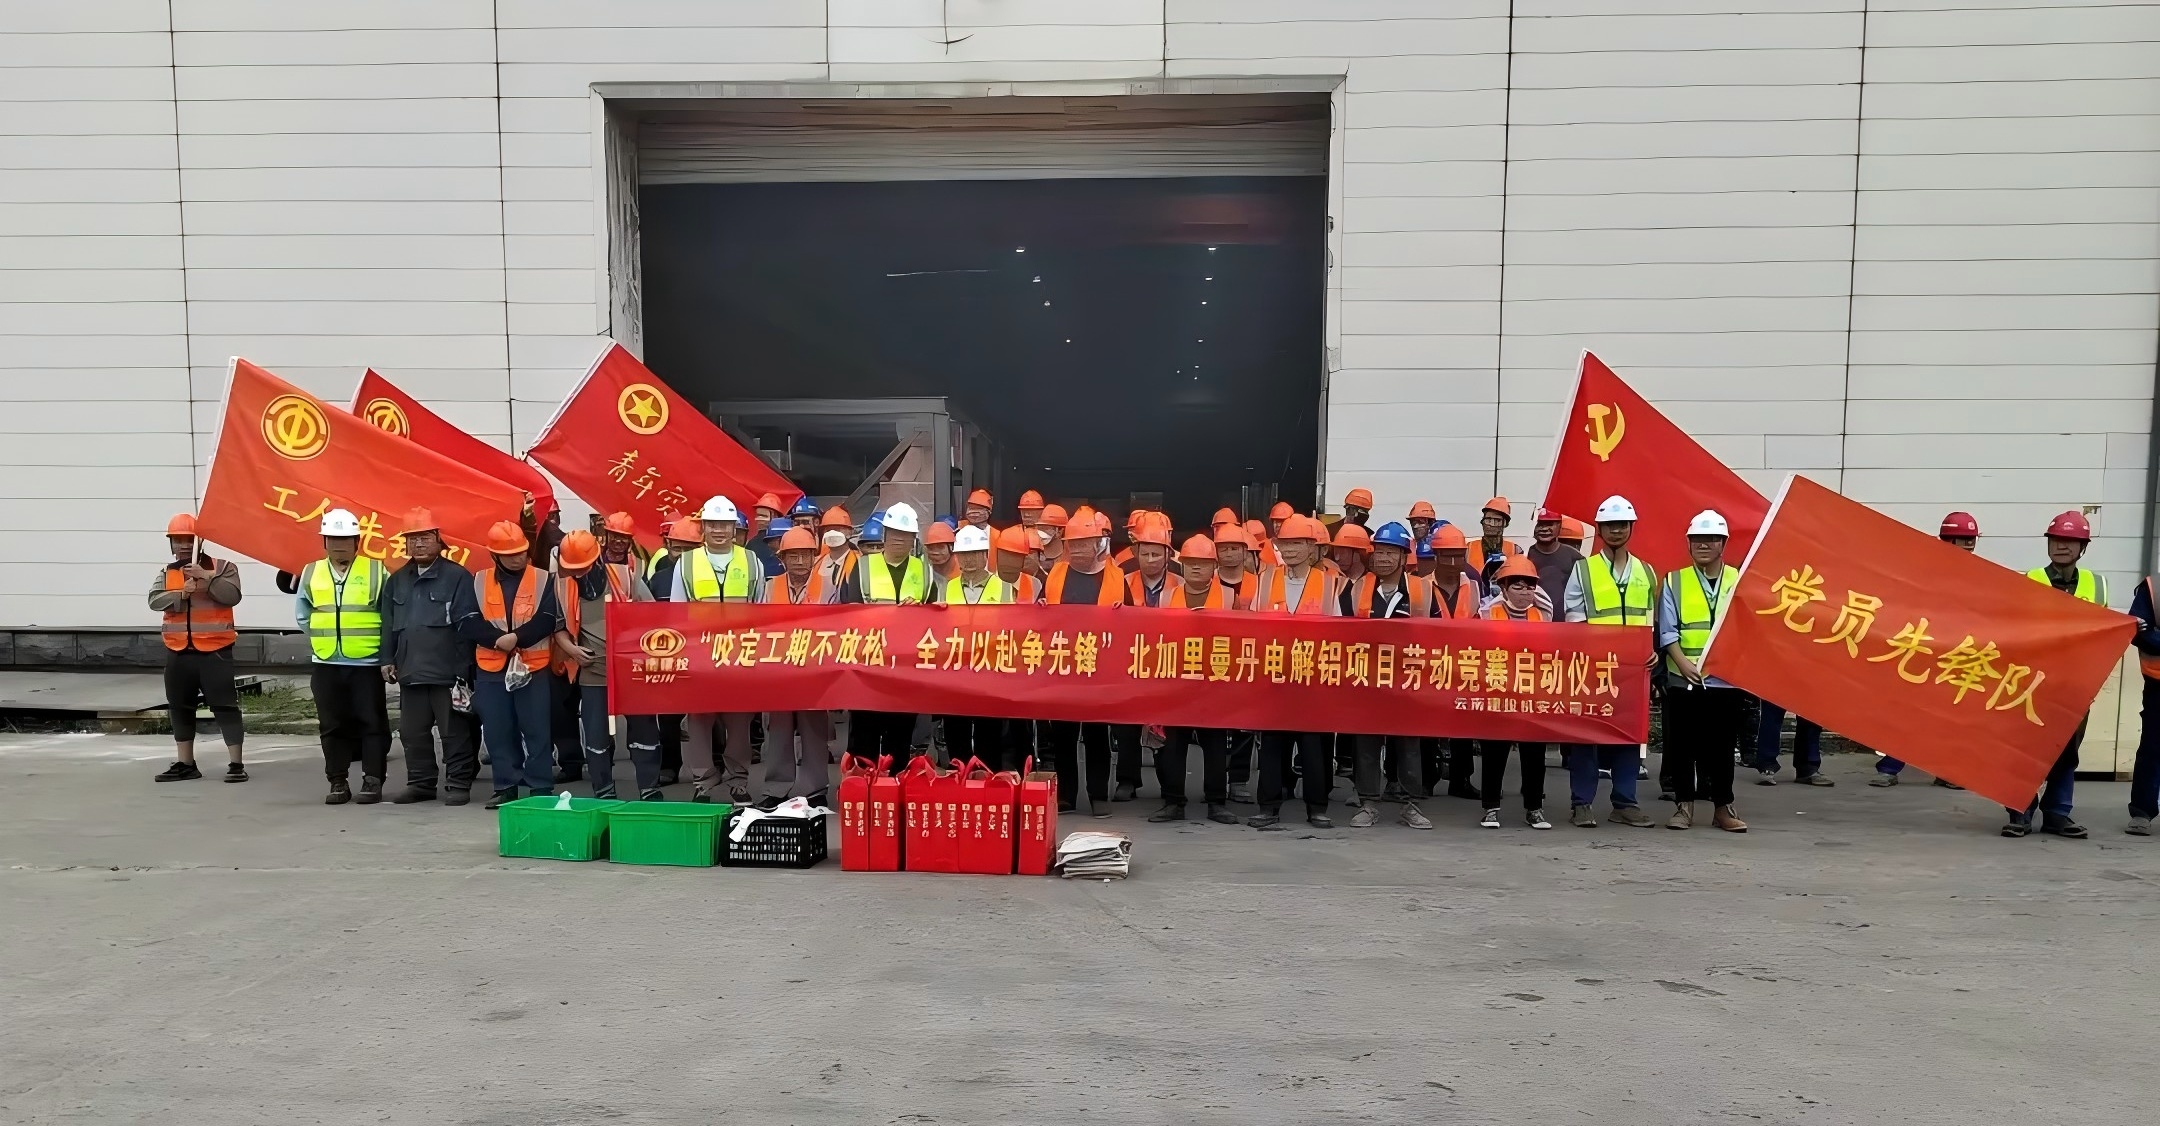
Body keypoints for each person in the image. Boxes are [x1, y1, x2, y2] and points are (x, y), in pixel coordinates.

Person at [2005, 511, 2106, 839]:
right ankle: (2019, 811)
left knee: (2067, 750)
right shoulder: (2030, 580)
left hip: (2075, 685)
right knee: (2025, 749)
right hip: (2032, 683)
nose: (2062, 546)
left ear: (2083, 547)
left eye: (2070, 541)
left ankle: (2058, 813)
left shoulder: (2097, 585)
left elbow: (2104, 631)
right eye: (2056, 539)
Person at [1561, 495, 1657, 828]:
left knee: (1629, 736)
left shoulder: (1646, 571)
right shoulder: (1583, 569)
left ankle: (1625, 803)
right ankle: (1582, 803)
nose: (1616, 530)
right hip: (1593, 668)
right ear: (1599, 530)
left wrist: (1652, 652)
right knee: (1585, 737)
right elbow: (1574, 618)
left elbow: (1649, 620)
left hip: (1633, 671)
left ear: (1631, 528)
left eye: (1622, 525)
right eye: (1609, 525)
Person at [453, 519, 561, 809]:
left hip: (533, 668)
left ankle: (540, 786)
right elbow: (466, 620)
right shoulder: (478, 581)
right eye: (510, 554)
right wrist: (497, 640)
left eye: (521, 552)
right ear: (495, 555)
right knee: (498, 730)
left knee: (537, 729)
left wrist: (516, 638)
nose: (518, 558)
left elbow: (548, 618)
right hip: (491, 668)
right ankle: (506, 786)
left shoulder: (544, 579)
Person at [552, 519, 662, 801]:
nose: (578, 573)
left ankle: (648, 787)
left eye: (583, 567)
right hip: (592, 670)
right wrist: (572, 650)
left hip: (631, 668)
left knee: (644, 730)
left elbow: (652, 616)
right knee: (597, 734)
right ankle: (603, 789)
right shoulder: (562, 586)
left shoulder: (625, 576)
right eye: (573, 569)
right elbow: (559, 626)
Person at [1871, 510, 1983, 788]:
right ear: (1947, 540)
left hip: (1957, 653)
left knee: (1950, 716)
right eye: (1963, 539)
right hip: (1924, 649)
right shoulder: (1929, 572)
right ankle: (1889, 768)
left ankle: (1946, 772)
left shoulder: (1979, 575)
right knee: (1910, 712)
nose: (1969, 544)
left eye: (1972, 539)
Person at [670, 495, 768, 802]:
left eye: (724, 524)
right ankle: (703, 782)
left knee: (739, 723)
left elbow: (763, 609)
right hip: (700, 656)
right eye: (712, 524)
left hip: (740, 655)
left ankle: (739, 782)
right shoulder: (686, 563)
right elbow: (676, 612)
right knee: (699, 722)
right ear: (703, 527)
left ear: (734, 528)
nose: (719, 530)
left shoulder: (752, 562)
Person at [1655, 511, 1748, 833]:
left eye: (1710, 539)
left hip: (1726, 680)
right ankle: (1684, 806)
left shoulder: (1739, 580)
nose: (1703, 545)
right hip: (1683, 679)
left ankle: (1723, 807)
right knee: (1682, 746)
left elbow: (1747, 629)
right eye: (1697, 540)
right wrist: (1682, 663)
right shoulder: (1674, 581)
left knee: (1722, 747)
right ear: (1688, 543)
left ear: (1723, 543)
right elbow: (1667, 630)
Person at [1249, 514, 1341, 829]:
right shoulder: (1265, 581)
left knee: (1313, 747)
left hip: (1312, 681)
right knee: (1273, 746)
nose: (1289, 550)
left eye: (1297, 543)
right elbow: (1252, 629)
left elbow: (1338, 633)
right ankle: (1268, 807)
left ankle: (1317, 807)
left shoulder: (1327, 584)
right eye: (1284, 543)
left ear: (1311, 547)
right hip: (1274, 679)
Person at [1341, 522, 1434, 830]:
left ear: (1404, 556)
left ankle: (1411, 804)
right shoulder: (1358, 589)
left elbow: (1439, 635)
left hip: (1407, 680)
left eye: (1390, 552)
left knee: (1409, 744)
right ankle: (1368, 803)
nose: (1382, 558)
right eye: (1378, 552)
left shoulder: (1422, 589)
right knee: (1366, 744)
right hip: (1367, 680)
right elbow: (1342, 633)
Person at [383, 508, 480, 805]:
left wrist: (464, 669)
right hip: (410, 670)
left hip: (447, 672)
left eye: (425, 537)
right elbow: (388, 624)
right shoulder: (397, 580)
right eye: (412, 538)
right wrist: (387, 659)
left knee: (454, 731)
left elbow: (468, 624)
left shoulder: (458, 577)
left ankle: (458, 783)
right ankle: (421, 784)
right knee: (412, 732)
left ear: (439, 540)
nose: (419, 544)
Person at [1145, 534, 1242, 826]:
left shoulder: (1229, 597)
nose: (1196, 568)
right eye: (1190, 563)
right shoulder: (1167, 597)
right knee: (1173, 745)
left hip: (1214, 682)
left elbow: (1242, 638)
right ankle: (1173, 801)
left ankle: (1216, 802)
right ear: (1181, 565)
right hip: (1177, 683)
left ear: (1214, 566)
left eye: (1202, 563)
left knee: (1215, 745)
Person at [297, 509, 392, 805]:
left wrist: (384, 655)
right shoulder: (311, 572)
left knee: (372, 723)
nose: (340, 545)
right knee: (331, 725)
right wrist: (323, 640)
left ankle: (372, 780)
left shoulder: (377, 571)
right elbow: (303, 615)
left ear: (357, 541)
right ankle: (337, 781)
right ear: (324, 541)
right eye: (334, 539)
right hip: (326, 663)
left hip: (366, 663)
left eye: (346, 539)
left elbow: (388, 616)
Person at [1040, 506, 1130, 814]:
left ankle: (1098, 794)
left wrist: (1123, 613)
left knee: (1096, 734)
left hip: (1100, 668)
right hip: (1063, 665)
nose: (1077, 549)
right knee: (1063, 735)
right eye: (1073, 544)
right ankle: (1066, 794)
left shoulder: (1116, 577)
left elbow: (1135, 622)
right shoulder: (1056, 574)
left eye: (1083, 543)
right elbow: (1040, 614)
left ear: (1097, 543)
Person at [151, 513, 246, 783]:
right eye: (177, 540)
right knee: (180, 707)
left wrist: (207, 578)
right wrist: (181, 594)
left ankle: (236, 764)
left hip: (215, 651)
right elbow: (154, 601)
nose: (183, 545)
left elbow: (232, 596)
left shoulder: (223, 567)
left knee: (225, 706)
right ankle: (186, 764)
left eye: (188, 540)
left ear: (200, 541)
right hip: (178, 651)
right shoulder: (168, 572)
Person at [837, 503, 933, 770]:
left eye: (906, 534)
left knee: (899, 736)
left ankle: (895, 784)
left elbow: (935, 618)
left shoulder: (924, 571)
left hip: (906, 667)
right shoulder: (863, 567)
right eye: (894, 533)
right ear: (885, 534)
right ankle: (863, 785)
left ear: (914, 539)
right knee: (864, 735)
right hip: (869, 665)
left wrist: (921, 611)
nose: (899, 539)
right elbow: (850, 613)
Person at [1474, 556, 1554, 829]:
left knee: (1534, 755)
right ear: (1504, 587)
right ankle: (1490, 808)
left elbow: (1546, 604)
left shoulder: (1542, 613)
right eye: (1517, 586)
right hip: (1498, 690)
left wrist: (1532, 587)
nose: (1524, 592)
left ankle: (1534, 808)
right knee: (1494, 752)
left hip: (1531, 693)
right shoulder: (1488, 613)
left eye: (1529, 586)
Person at [762, 527, 837, 805]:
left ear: (813, 557)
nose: (799, 561)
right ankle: (776, 789)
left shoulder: (828, 586)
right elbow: (759, 626)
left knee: (814, 729)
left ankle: (815, 789)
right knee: (778, 730)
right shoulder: (770, 586)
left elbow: (837, 627)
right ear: (782, 558)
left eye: (805, 555)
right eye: (793, 556)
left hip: (813, 670)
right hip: (779, 671)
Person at [937, 525, 1013, 771]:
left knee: (988, 733)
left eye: (974, 553)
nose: (968, 560)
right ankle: (959, 778)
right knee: (956, 731)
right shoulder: (946, 587)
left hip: (990, 672)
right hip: (956, 673)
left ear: (985, 555)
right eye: (964, 554)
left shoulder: (1003, 588)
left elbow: (1014, 629)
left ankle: (988, 780)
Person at [1428, 523, 1484, 799]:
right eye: (1446, 556)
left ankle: (1461, 779)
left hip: (1464, 665)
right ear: (1435, 556)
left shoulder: (1473, 586)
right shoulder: (1421, 586)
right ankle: (1426, 779)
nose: (1452, 563)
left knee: (1463, 726)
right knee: (1427, 726)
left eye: (1457, 556)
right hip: (1429, 666)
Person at [2127, 566, 2160, 836]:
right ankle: (2142, 811)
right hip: (2159, 683)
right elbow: (2138, 630)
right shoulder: (2153, 589)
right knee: (2153, 746)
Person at [1526, 507, 1581, 614]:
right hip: (1537, 616)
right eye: (1540, 524)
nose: (1544, 529)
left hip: (1564, 616)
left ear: (1559, 526)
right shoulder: (1527, 555)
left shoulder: (1573, 556)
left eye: (1549, 524)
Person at [1473, 497, 1521, 586]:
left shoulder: (1516, 550)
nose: (1491, 524)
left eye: (1497, 520)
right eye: (1488, 520)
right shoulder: (1467, 549)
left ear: (1505, 523)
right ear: (1482, 522)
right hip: (1475, 593)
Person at [994, 524, 1042, 602]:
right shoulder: (988, 581)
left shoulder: (1034, 584)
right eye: (1006, 555)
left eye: (1016, 556)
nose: (1010, 561)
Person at [1036, 504, 1068, 569]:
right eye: (1039, 528)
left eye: (1046, 528)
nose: (1041, 532)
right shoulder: (1030, 559)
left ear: (1060, 532)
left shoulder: (1068, 562)